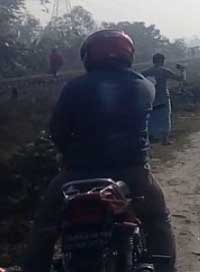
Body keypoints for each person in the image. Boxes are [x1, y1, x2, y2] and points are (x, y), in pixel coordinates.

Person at [24, 30, 176, 272]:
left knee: (45, 223)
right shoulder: (145, 86)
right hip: (133, 172)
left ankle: (33, 267)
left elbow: (58, 129)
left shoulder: (74, 87)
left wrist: (68, 156)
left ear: (89, 57)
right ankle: (166, 268)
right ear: (128, 55)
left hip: (78, 172)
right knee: (157, 219)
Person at [142, 53, 185, 145]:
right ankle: (165, 140)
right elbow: (181, 79)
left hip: (151, 98)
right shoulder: (164, 71)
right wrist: (183, 70)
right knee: (165, 118)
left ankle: (151, 138)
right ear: (162, 61)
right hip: (163, 98)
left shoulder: (146, 72)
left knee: (151, 119)